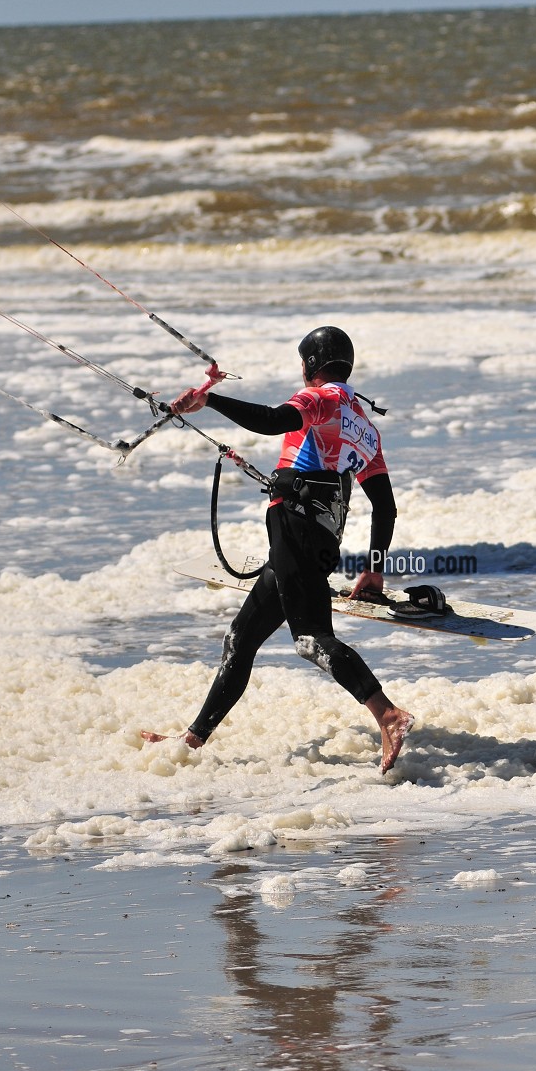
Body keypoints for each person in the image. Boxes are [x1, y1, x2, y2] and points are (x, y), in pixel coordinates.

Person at [142, 326, 414, 773]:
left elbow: (271, 421)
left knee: (310, 640)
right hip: (319, 537)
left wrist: (209, 400)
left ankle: (388, 714)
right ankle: (190, 741)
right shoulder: (364, 426)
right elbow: (384, 508)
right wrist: (374, 570)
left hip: (296, 530)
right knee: (241, 638)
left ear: (309, 365)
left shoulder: (320, 399)